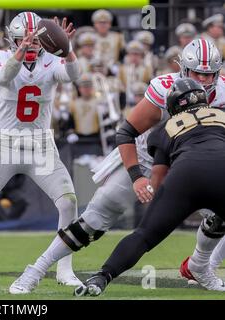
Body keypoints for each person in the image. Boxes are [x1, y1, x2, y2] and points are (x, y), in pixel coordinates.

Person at [10, 38, 225, 293]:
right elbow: (126, 132)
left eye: (208, 74)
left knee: (219, 217)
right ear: (183, 69)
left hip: (187, 165)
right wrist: (136, 176)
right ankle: (36, 269)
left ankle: (201, 265)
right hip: (145, 156)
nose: (202, 81)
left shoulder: (222, 90)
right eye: (197, 74)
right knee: (96, 216)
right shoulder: (165, 88)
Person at [0, 12, 82, 293]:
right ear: (14, 39)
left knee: (69, 202)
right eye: (25, 40)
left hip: (40, 146)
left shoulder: (51, 60)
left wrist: (67, 50)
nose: (31, 45)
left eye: (36, 41)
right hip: (5, 144)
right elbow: (5, 76)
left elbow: (73, 76)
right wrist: (20, 53)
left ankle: (65, 269)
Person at [77, 78, 225, 296]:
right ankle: (203, 256)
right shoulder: (222, 116)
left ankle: (102, 277)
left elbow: (158, 176)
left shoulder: (164, 130)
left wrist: (161, 203)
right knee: (218, 220)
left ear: (173, 104)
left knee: (144, 236)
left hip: (184, 178)